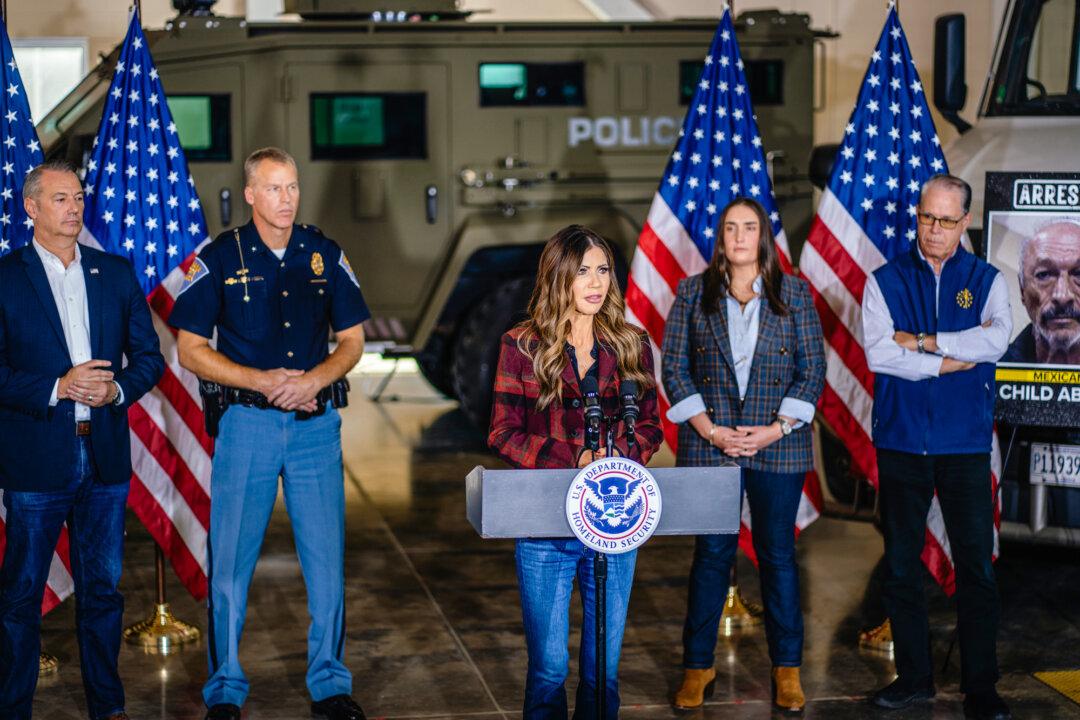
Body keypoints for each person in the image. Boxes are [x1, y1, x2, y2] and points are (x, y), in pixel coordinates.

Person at [170, 148, 370, 720]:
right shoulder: (218, 256)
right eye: (274, 188)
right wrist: (260, 381)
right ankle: (225, 691)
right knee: (231, 562)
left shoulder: (324, 253)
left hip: (314, 427)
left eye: (293, 187)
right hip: (247, 427)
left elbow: (353, 341)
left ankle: (330, 686)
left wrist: (313, 380)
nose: (287, 198)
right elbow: (190, 349)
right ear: (250, 194)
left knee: (326, 562)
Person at [0, 161, 165, 720]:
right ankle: (13, 707)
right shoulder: (5, 278)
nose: (74, 208)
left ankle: (107, 707)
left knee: (103, 593)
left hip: (104, 459)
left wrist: (116, 390)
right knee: (21, 597)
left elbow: (149, 359)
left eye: (77, 198)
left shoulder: (114, 274)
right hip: (36, 461)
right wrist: (58, 386)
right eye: (61, 199)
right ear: (32, 208)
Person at [488, 225, 664, 719]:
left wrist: (626, 457)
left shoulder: (630, 343)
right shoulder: (521, 345)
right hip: (545, 528)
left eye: (602, 270)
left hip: (615, 523)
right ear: (558, 276)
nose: (595, 282)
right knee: (548, 668)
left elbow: (651, 425)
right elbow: (503, 434)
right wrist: (577, 459)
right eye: (582, 271)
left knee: (603, 669)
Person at [662, 197, 825, 714]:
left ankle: (787, 670)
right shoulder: (692, 293)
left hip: (778, 446)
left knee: (777, 556)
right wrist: (712, 432)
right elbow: (674, 368)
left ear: (762, 236)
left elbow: (812, 369)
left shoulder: (794, 293)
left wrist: (774, 430)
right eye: (730, 227)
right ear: (720, 237)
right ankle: (697, 667)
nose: (738, 236)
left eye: (748, 227)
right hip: (712, 446)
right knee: (711, 557)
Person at [861, 174, 1013, 720]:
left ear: (964, 222)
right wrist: (949, 361)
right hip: (901, 443)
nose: (935, 230)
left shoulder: (988, 280)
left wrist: (923, 343)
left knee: (975, 568)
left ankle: (982, 686)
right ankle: (915, 678)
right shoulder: (884, 280)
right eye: (928, 217)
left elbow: (996, 339)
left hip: (965, 445)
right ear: (917, 215)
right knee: (901, 567)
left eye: (947, 220)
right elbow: (879, 354)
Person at [1002, 219, 1080, 365]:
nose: (1062, 296)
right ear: (1022, 289)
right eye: (1044, 275)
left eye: (1079, 274)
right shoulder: (991, 375)